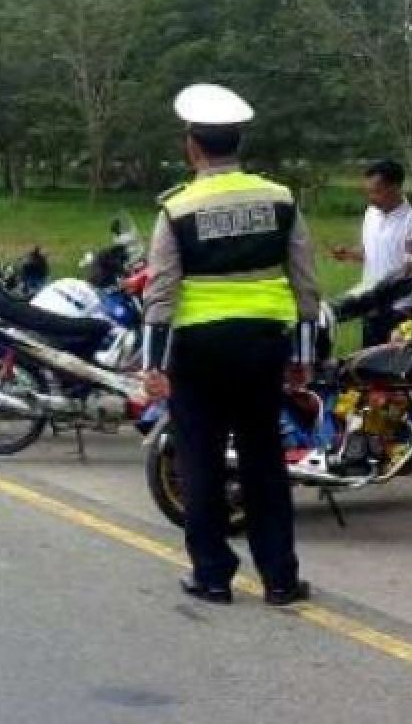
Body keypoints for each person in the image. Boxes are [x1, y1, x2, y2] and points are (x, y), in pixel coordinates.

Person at [142, 83, 320, 607]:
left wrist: (154, 366)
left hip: (199, 351)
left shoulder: (177, 209)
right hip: (264, 346)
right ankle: (281, 579)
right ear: (238, 144)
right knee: (265, 458)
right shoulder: (280, 199)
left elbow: (161, 292)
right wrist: (303, 359)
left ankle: (214, 575)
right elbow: (306, 284)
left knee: (201, 460)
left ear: (192, 147)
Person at [332, 159, 412, 347]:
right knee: (368, 365)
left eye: (376, 191)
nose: (371, 197)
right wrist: (349, 253)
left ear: (395, 188)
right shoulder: (371, 213)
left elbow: (411, 267)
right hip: (370, 305)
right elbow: (369, 252)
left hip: (397, 309)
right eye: (368, 192)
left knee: (392, 367)